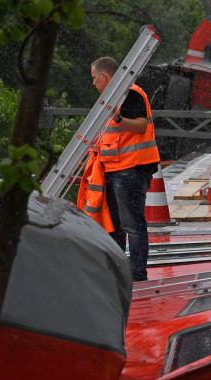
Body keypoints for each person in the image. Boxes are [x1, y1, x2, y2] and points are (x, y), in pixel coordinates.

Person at [78, 56, 160, 281]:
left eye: (95, 78)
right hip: (115, 168)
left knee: (131, 224)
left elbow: (141, 125)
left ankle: (136, 273)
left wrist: (119, 119)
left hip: (131, 168)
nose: (93, 83)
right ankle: (120, 270)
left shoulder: (129, 93)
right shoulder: (110, 99)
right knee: (115, 224)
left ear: (104, 77)